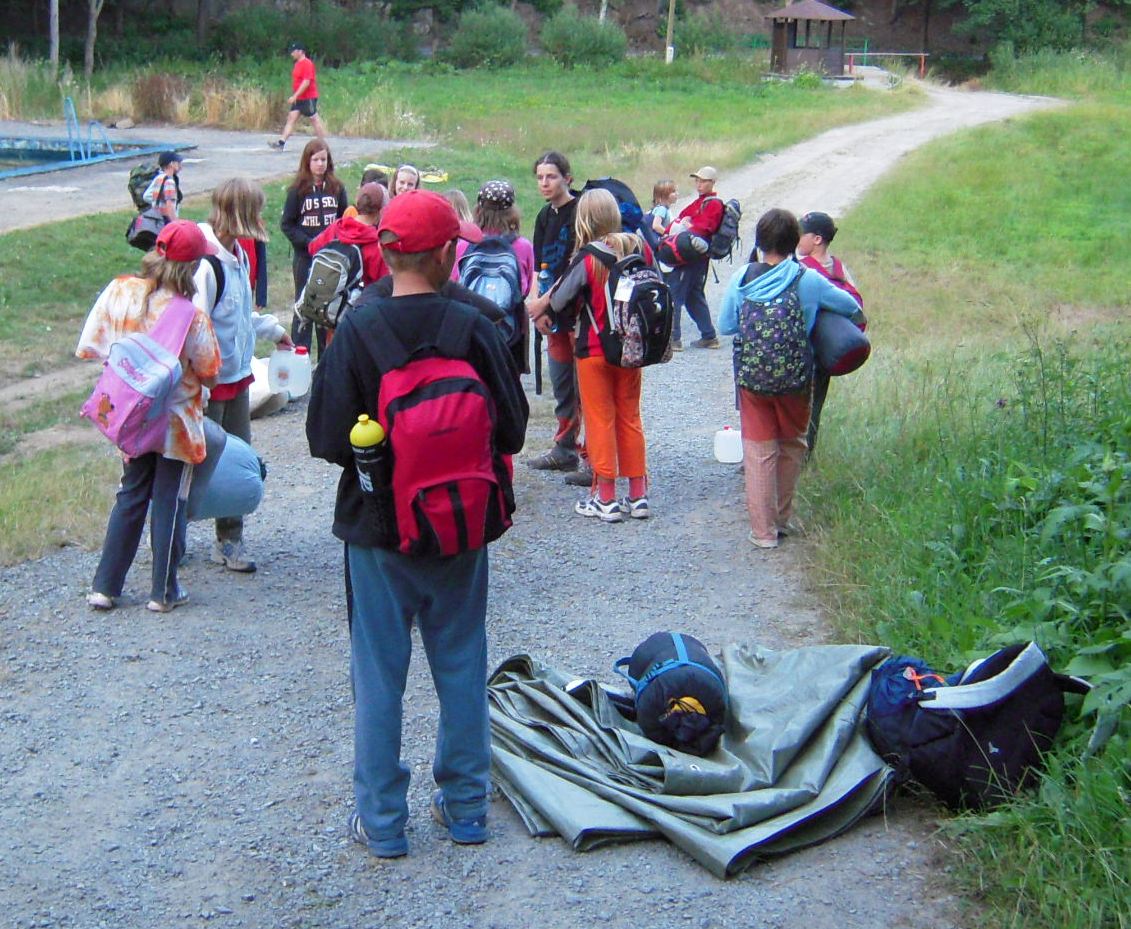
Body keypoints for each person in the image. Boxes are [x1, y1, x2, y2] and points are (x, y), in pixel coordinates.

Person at [306, 189, 528, 859]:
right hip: (461, 526)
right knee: (461, 662)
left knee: (379, 675)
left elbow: (324, 438)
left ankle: (382, 822)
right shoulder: (476, 325)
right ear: (444, 253)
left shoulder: (357, 328)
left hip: (378, 529)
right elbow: (513, 430)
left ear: (386, 252)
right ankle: (466, 809)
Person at [77, 221, 222, 612]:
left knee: (130, 494)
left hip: (131, 415)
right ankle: (163, 591)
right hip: (174, 422)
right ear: (193, 267)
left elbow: (92, 347)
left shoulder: (120, 291)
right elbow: (210, 370)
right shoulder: (190, 316)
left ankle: (105, 586)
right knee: (168, 500)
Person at [718, 208, 861, 549]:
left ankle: (763, 532)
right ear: (794, 241)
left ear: (759, 241)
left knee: (759, 452)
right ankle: (781, 520)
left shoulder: (742, 278)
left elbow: (726, 325)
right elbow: (851, 307)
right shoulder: (807, 279)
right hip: (797, 378)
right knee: (792, 445)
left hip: (753, 380)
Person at [193, 179, 292, 573]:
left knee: (235, 461)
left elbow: (241, 312)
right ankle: (170, 533)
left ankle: (229, 538)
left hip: (237, 377)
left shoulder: (240, 257)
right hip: (209, 385)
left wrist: (273, 331)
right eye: (256, 211)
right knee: (194, 463)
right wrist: (200, 386)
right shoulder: (206, 265)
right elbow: (195, 326)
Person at [542, 188, 652, 521]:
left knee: (600, 420)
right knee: (630, 417)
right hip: (631, 349)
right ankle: (638, 495)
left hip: (593, 349)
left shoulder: (589, 257)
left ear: (585, 219)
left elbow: (559, 299)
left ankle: (605, 497)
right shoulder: (638, 248)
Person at [524, 151, 589, 485]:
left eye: (551, 176)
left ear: (567, 178)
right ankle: (565, 447)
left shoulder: (580, 212)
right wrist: (536, 305)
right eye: (540, 177)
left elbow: (576, 267)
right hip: (552, 315)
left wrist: (543, 304)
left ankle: (593, 456)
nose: (544, 183)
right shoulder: (543, 215)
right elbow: (539, 267)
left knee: (586, 386)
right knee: (562, 382)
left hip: (578, 311)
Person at [796, 210, 865, 457]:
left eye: (801, 233)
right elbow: (856, 310)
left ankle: (791, 459)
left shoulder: (801, 270)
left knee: (795, 407)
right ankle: (806, 456)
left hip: (803, 350)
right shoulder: (840, 268)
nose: (797, 238)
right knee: (814, 407)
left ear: (817, 239)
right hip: (827, 352)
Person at [280, 139, 348, 360]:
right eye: (316, 160)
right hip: (305, 257)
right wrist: (307, 243)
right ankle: (299, 357)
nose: (320, 164)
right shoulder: (297, 190)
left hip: (330, 258)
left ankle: (325, 359)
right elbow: (287, 224)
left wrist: (336, 241)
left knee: (326, 307)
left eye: (323, 159)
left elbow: (344, 220)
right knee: (304, 305)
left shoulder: (337, 188)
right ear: (307, 161)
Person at [667, 166, 724, 351]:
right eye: (697, 181)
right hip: (694, 255)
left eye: (703, 181)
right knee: (693, 296)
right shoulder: (702, 201)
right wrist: (685, 223)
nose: (699, 185)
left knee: (675, 293)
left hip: (693, 256)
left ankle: (674, 340)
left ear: (712, 183)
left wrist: (686, 225)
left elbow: (704, 228)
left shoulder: (713, 204)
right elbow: (682, 216)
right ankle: (709, 337)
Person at [309, 181, 389, 285]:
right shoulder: (375, 245)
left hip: (324, 291)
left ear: (358, 202)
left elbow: (312, 248)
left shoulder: (337, 227)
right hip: (359, 295)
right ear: (381, 210)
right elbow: (384, 282)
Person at [269, 42, 326, 150]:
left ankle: (323, 145)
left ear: (300, 51)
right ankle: (281, 143)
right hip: (299, 99)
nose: (292, 54)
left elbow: (306, 82)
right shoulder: (297, 64)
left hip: (308, 98)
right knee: (291, 118)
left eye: (294, 51)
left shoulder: (307, 64)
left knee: (314, 119)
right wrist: (296, 96)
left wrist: (295, 96)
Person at [144, 151, 183, 221]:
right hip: (166, 219)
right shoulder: (169, 182)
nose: (180, 166)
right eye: (177, 162)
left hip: (158, 218)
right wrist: (176, 223)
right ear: (171, 164)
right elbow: (170, 206)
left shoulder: (159, 178)